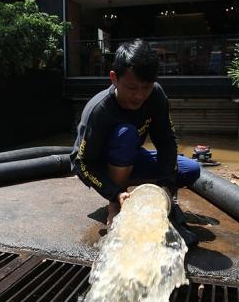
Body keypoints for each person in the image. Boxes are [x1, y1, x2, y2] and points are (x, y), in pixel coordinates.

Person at [70, 39, 201, 246]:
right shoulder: (100, 110)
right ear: (114, 78)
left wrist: (167, 186)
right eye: (132, 87)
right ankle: (115, 204)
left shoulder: (156, 95)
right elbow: (82, 163)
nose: (139, 95)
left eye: (146, 87)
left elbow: (166, 141)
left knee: (191, 169)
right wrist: (114, 193)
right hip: (100, 166)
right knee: (126, 134)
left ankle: (150, 199)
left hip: (130, 157)